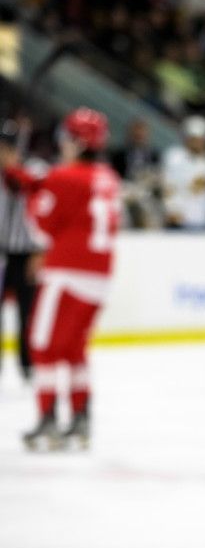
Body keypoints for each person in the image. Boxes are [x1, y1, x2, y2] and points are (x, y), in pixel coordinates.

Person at [1, 108, 121, 448]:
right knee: (74, 349)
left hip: (66, 272)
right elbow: (63, 191)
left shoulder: (64, 176)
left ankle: (48, 421)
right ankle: (81, 421)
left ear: (76, 141)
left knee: (42, 347)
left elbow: (41, 226)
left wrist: (30, 193)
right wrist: (24, 178)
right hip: (99, 275)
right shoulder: (106, 177)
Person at [0, 122, 42, 383]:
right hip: (1, 251)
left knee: (28, 313)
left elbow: (44, 210)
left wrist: (40, 251)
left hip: (27, 253)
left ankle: (28, 364)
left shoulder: (35, 170)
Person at [161, 115, 205, 230]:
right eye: (194, 139)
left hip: (202, 219)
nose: (198, 143)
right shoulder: (174, 157)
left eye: (201, 140)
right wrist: (171, 209)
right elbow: (168, 187)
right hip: (178, 219)